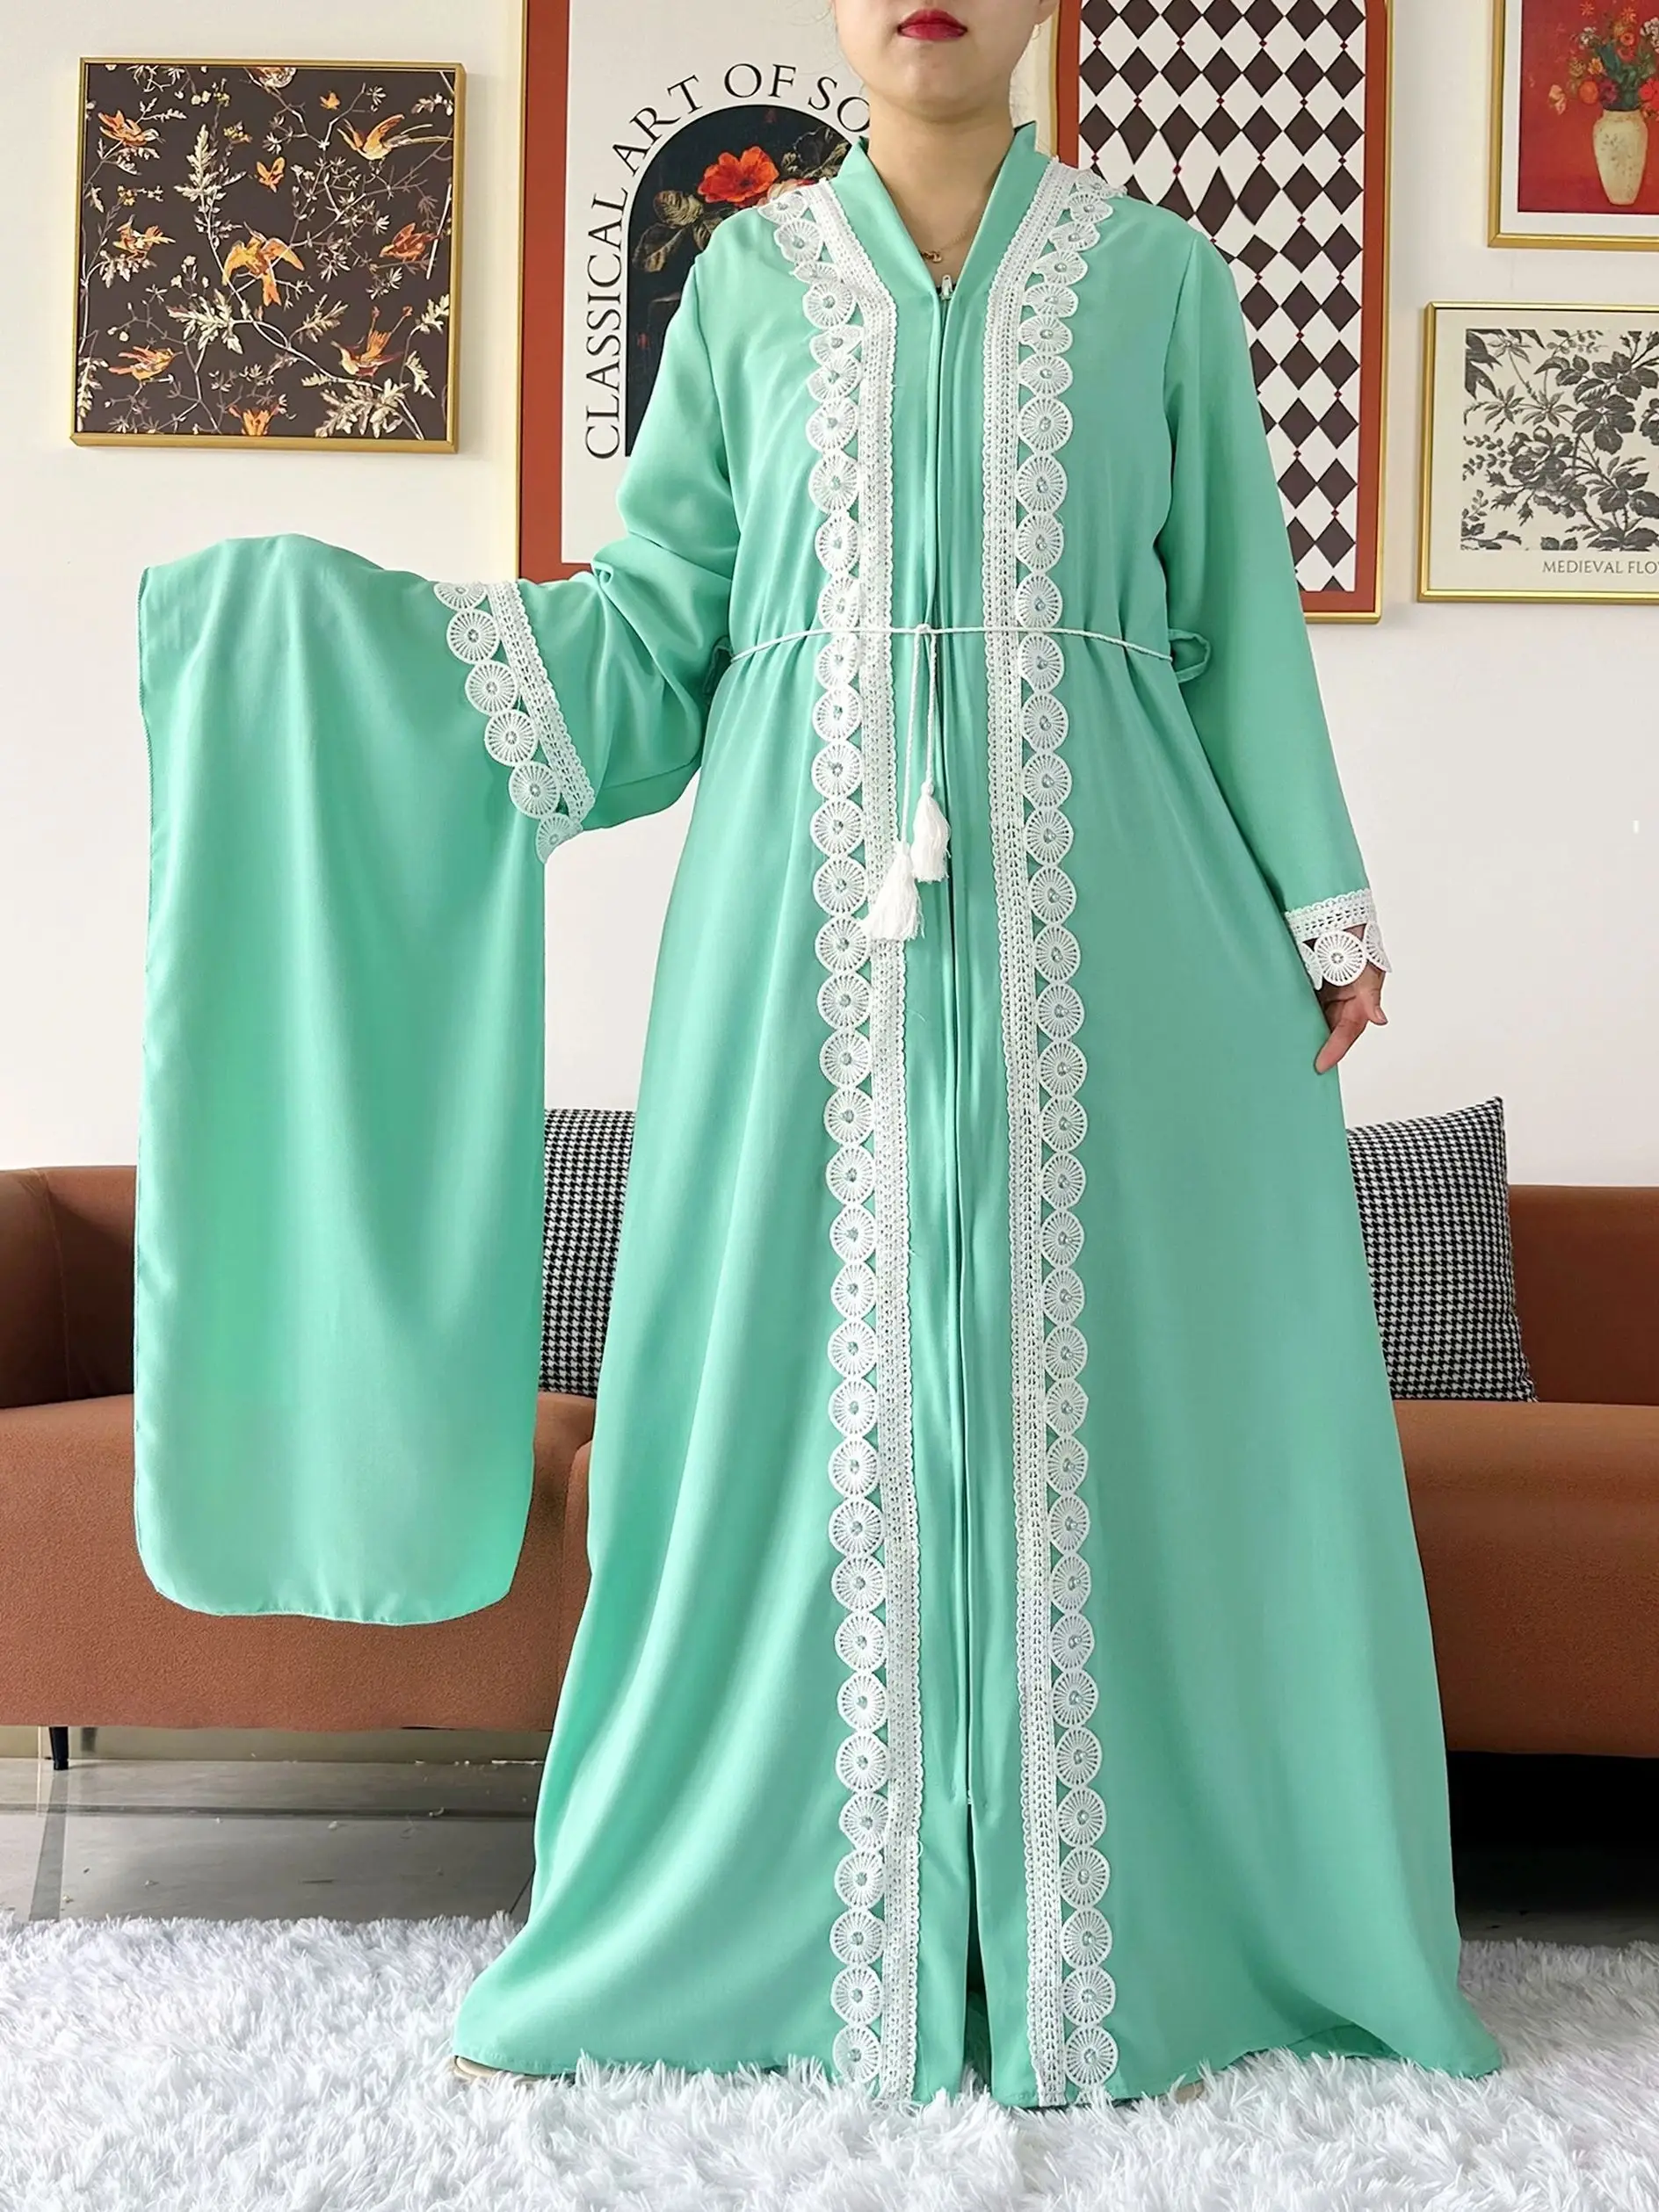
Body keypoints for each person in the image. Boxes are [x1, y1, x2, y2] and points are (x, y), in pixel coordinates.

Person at [134, 0, 1503, 2107]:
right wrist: (347, 646)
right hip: (794, 959)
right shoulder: (746, 287)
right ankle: (776, 1928)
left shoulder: (1157, 281)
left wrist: (1319, 900)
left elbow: (1232, 622)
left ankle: (1162, 1935)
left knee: (1167, 1415)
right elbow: (652, 633)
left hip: (1134, 954)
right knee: (757, 1411)